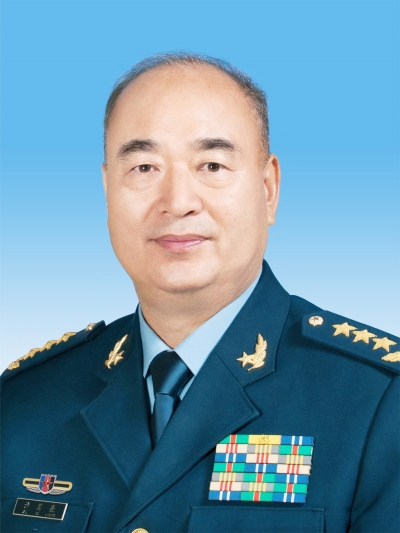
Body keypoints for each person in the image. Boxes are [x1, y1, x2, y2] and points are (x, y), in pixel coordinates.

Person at [1, 52, 399, 533]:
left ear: (268, 189)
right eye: (144, 167)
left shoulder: (379, 401)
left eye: (211, 165)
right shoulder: (23, 404)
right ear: (107, 189)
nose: (178, 203)